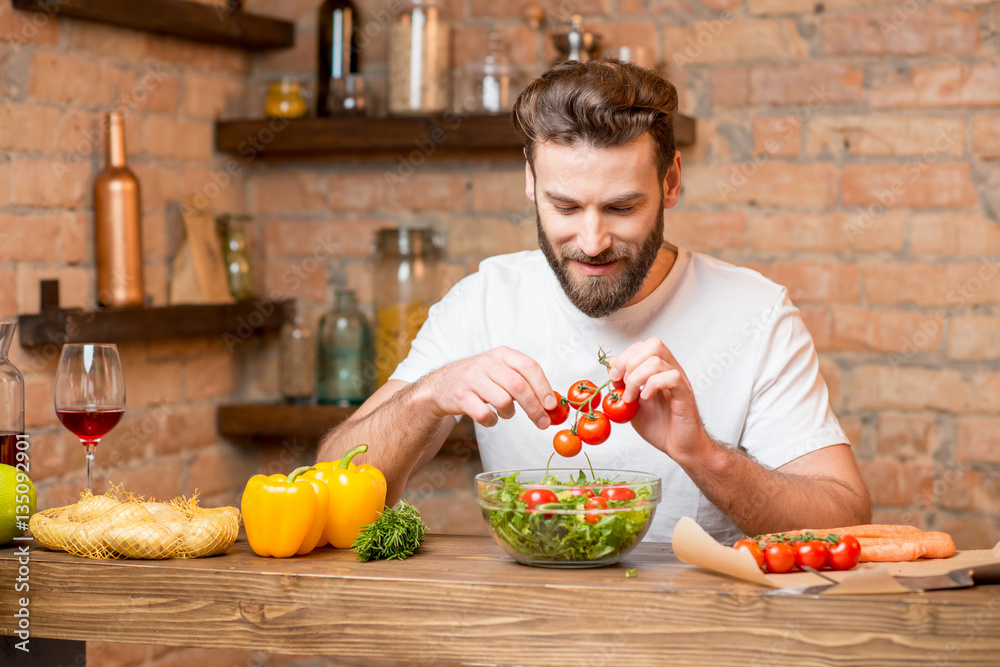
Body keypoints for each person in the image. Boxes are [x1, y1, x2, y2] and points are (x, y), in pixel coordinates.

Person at [317, 59, 871, 543]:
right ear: (531, 182)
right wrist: (428, 396)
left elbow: (848, 521)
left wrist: (704, 454)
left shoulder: (756, 314)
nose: (591, 241)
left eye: (622, 208)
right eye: (565, 206)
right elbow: (330, 481)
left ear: (671, 183)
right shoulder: (482, 301)